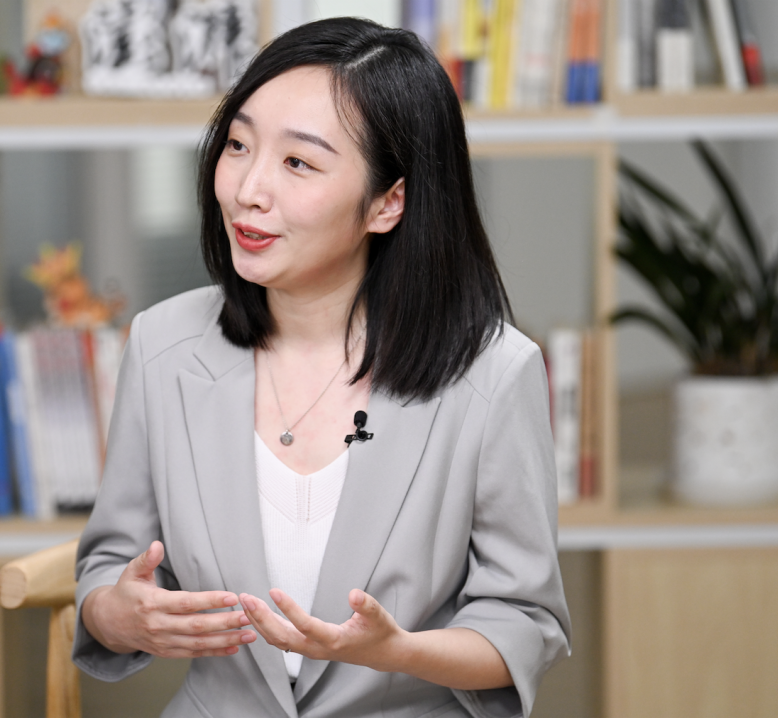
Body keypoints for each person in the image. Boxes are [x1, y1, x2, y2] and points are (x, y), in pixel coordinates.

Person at [73, 17, 570, 718]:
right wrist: (117, 615)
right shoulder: (163, 346)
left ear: (388, 202)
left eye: (298, 163)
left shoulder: (493, 375)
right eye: (238, 145)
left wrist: (397, 651)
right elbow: (106, 570)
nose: (248, 189)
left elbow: (524, 621)